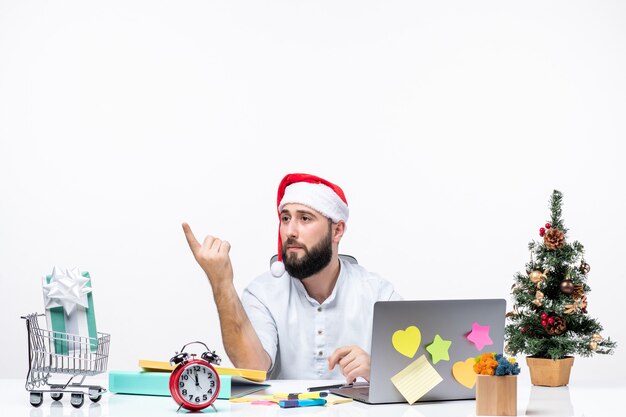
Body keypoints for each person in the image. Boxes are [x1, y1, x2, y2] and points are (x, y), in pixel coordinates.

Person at [182, 173, 400, 382]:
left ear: (337, 231)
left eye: (305, 218)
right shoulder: (263, 293)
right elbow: (252, 368)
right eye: (285, 218)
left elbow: (427, 377)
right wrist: (221, 283)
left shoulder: (378, 294)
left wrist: (377, 371)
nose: (290, 231)